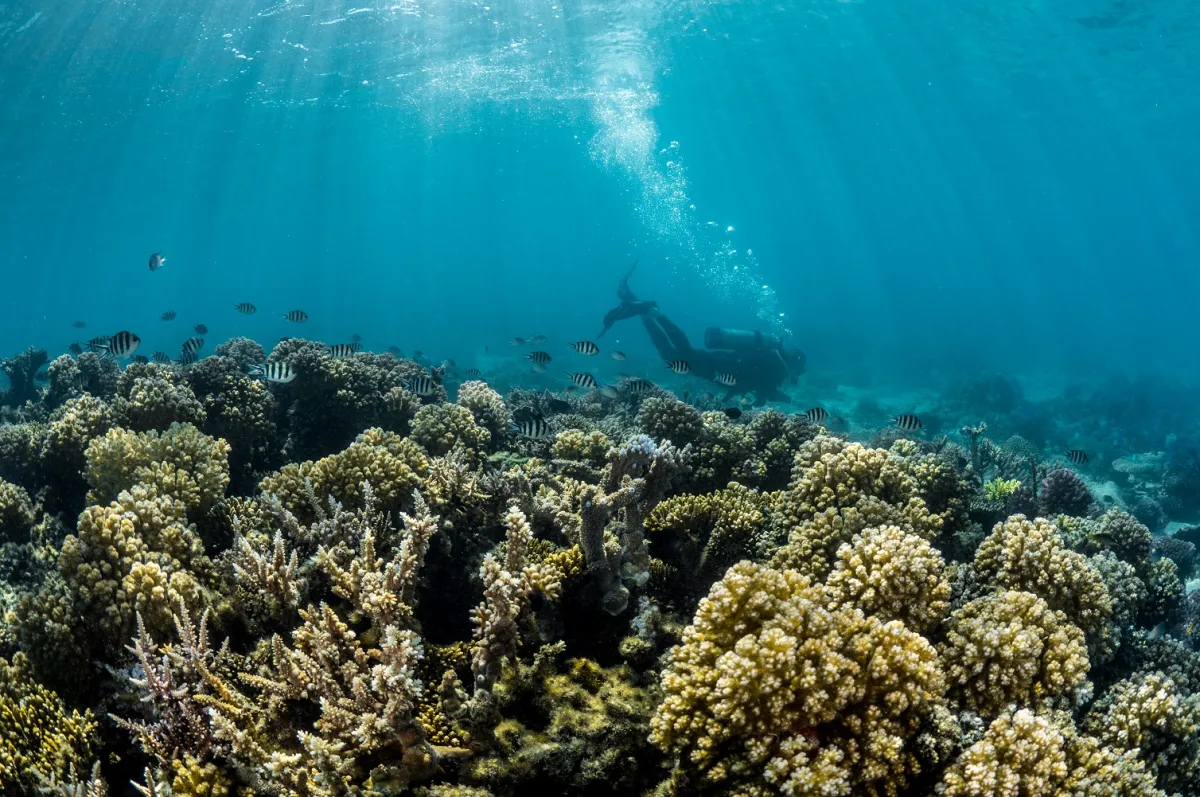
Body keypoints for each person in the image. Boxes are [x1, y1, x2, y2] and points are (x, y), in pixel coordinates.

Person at [599, 265, 805, 406]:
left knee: (679, 353)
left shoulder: (772, 359)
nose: (797, 373)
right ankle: (653, 314)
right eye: (799, 369)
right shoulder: (776, 368)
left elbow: (753, 384)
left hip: (721, 364)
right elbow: (764, 389)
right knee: (679, 353)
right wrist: (788, 400)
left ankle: (646, 313)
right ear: (794, 363)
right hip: (719, 367)